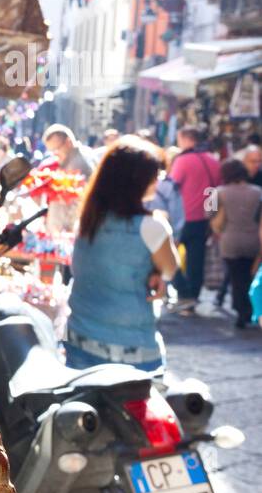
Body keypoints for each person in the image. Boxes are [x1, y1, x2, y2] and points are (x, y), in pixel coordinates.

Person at [64, 136, 178, 373]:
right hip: (130, 348)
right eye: (154, 175)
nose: (158, 181)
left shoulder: (88, 219)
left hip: (79, 338)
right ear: (136, 180)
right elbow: (169, 268)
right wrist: (158, 274)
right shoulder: (151, 226)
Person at [168, 125, 222, 314]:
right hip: (203, 220)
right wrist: (211, 216)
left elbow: (171, 188)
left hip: (181, 218)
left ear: (186, 139)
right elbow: (214, 191)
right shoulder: (213, 160)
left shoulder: (183, 161)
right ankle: (192, 299)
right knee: (195, 262)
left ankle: (184, 293)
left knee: (168, 256)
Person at [211, 158, 262, 329]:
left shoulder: (218, 192)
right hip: (253, 241)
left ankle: (241, 311)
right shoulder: (258, 191)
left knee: (235, 278)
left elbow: (208, 213)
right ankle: (250, 310)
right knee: (250, 276)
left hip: (229, 240)